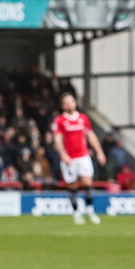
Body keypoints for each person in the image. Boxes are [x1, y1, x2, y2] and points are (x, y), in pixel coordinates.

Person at [52, 93, 106, 225]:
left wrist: (99, 152)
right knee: (73, 186)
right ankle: (76, 213)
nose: (70, 104)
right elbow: (57, 140)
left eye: (72, 101)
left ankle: (90, 211)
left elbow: (91, 136)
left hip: (83, 156)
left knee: (88, 183)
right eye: (67, 102)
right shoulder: (59, 121)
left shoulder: (83, 118)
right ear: (63, 106)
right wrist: (63, 154)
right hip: (69, 159)